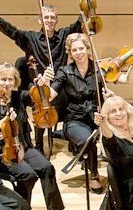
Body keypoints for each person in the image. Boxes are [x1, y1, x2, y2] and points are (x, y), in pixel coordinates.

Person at [0, 0, 92, 144]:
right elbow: (12, 32)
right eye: (46, 17)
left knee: (75, 98)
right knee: (41, 97)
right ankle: (39, 143)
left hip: (59, 88)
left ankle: (73, 136)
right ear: (40, 20)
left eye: (52, 18)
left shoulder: (64, 35)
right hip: (38, 87)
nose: (49, 21)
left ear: (56, 20)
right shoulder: (30, 38)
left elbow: (81, 21)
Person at [0, 63, 72, 210]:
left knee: (47, 167)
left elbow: (38, 96)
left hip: (23, 146)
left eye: (10, 79)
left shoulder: (20, 97)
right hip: (3, 152)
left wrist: (43, 82)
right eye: (3, 79)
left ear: (15, 81)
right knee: (28, 174)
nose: (7, 83)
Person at [38, 32, 108, 200]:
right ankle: (94, 174)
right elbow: (49, 96)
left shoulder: (98, 69)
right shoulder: (65, 71)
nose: (78, 53)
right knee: (87, 140)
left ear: (88, 49)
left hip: (97, 118)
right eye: (74, 50)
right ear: (70, 52)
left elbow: (124, 80)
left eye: (81, 48)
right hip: (74, 120)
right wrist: (46, 81)